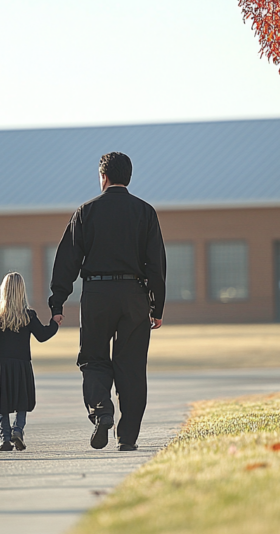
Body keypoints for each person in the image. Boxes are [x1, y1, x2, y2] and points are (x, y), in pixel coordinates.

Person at [49, 151, 166, 451]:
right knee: (131, 366)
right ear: (128, 177)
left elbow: (67, 260)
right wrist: (157, 306)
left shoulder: (85, 212)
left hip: (97, 294)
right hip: (134, 296)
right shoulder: (145, 212)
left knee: (93, 359)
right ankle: (127, 437)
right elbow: (156, 264)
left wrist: (57, 302)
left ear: (103, 177)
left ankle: (102, 413)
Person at [0, 272, 59, 451]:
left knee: (3, 403)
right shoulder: (29, 315)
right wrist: (54, 323)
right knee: (21, 401)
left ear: (3, 291)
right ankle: (18, 429)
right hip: (22, 364)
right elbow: (42, 335)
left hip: (1, 365)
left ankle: (5, 438)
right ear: (22, 291)